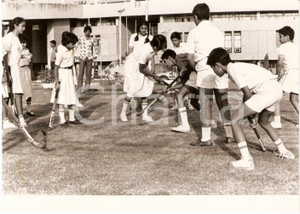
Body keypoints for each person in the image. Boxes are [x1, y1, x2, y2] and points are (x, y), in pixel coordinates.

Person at [207, 47, 295, 170]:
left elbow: (247, 94)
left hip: (267, 91)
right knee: (263, 121)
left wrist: (251, 115)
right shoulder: (238, 66)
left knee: (234, 120)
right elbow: (247, 95)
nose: (214, 71)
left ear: (217, 65)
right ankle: (283, 150)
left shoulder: (233, 69)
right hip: (276, 90)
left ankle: (246, 160)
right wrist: (250, 115)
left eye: (212, 68)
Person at [186, 3, 234, 145]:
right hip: (220, 67)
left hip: (204, 68)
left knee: (206, 103)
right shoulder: (218, 31)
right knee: (223, 102)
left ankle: (206, 139)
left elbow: (189, 58)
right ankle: (230, 135)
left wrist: (197, 69)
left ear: (195, 17)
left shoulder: (194, 32)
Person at [120, 34, 167, 122]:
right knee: (133, 89)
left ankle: (145, 115)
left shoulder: (152, 49)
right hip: (131, 67)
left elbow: (144, 64)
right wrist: (153, 75)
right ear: (156, 46)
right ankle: (122, 113)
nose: (160, 50)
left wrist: (151, 74)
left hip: (140, 66)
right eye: (160, 48)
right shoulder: (145, 50)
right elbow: (141, 69)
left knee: (145, 87)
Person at [161, 49, 199, 133]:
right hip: (197, 76)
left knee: (180, 96)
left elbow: (183, 84)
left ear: (170, 58)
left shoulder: (179, 60)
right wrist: (169, 88)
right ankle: (209, 120)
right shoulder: (179, 64)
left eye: (165, 61)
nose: (165, 64)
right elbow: (183, 83)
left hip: (196, 75)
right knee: (194, 102)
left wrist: (170, 88)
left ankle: (185, 126)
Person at [270, 26, 299, 129]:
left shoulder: (283, 47)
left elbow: (279, 63)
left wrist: (277, 76)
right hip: (298, 74)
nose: (279, 39)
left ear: (287, 37)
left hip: (290, 72)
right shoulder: (296, 47)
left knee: (275, 95)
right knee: (294, 98)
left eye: (280, 36)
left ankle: (277, 122)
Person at [2, 17, 27, 127]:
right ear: (16, 25)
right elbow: (3, 55)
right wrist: (7, 73)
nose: (24, 28)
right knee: (10, 93)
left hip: (17, 67)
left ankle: (18, 117)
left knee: (18, 92)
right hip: (11, 68)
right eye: (22, 26)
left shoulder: (16, 38)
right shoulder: (9, 38)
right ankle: (8, 119)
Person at [50, 31, 79, 126]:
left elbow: (72, 65)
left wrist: (75, 79)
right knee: (61, 97)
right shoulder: (60, 50)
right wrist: (56, 81)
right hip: (62, 74)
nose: (74, 45)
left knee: (71, 96)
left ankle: (72, 118)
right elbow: (56, 67)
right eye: (73, 44)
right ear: (67, 43)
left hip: (70, 73)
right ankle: (62, 120)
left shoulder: (72, 50)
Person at [170, 31, 195, 111]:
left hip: (186, 70)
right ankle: (176, 104)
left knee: (187, 86)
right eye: (173, 41)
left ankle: (189, 103)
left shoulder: (185, 46)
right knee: (177, 87)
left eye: (176, 40)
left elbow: (188, 58)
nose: (174, 42)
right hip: (178, 70)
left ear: (180, 40)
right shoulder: (172, 49)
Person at [76, 26, 99, 93]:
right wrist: (76, 55)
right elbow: (76, 46)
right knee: (81, 73)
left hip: (89, 57)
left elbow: (96, 47)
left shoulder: (92, 39)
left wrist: (95, 55)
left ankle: (87, 89)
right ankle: (79, 88)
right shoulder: (81, 39)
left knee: (88, 74)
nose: (87, 33)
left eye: (89, 31)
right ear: (84, 32)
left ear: (90, 32)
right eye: (86, 31)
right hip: (82, 57)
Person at [19, 36, 35, 116]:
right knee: (19, 91)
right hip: (19, 71)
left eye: (25, 43)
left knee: (28, 90)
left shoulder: (27, 50)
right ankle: (18, 111)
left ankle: (29, 109)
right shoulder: (17, 50)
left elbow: (29, 59)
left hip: (26, 69)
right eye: (22, 43)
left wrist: (31, 72)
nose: (24, 44)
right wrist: (23, 56)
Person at [2, 55, 18, 131]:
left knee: (5, 97)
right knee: (4, 99)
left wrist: (8, 74)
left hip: (3, 74)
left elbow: (4, 65)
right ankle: (5, 121)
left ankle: (5, 120)